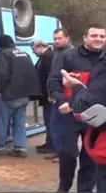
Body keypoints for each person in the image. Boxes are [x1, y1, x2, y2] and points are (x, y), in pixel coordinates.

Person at [47, 24, 106, 193]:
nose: (98, 39)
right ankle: (64, 187)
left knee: (90, 157)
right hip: (68, 115)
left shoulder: (104, 59)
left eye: (102, 36)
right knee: (66, 154)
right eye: (94, 35)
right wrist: (61, 102)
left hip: (94, 117)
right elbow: (54, 82)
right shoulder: (68, 56)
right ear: (85, 38)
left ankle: (84, 190)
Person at [0, 35, 41, 157]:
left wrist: (0, 90)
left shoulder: (3, 55)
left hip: (10, 95)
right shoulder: (24, 53)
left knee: (2, 120)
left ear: (1, 45)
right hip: (25, 95)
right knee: (19, 121)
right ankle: (21, 147)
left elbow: (2, 75)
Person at [47, 28, 74, 162]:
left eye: (59, 38)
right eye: (55, 39)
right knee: (55, 126)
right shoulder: (57, 52)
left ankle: (66, 154)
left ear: (67, 38)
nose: (56, 41)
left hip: (66, 98)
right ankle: (59, 152)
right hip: (57, 96)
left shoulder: (71, 53)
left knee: (65, 128)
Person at [30, 40, 55, 155]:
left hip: (48, 96)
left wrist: (50, 94)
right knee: (48, 120)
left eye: (34, 49)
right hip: (46, 95)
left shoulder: (48, 57)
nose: (33, 52)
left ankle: (52, 145)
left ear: (40, 47)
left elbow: (51, 78)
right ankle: (49, 143)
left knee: (50, 121)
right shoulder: (46, 56)